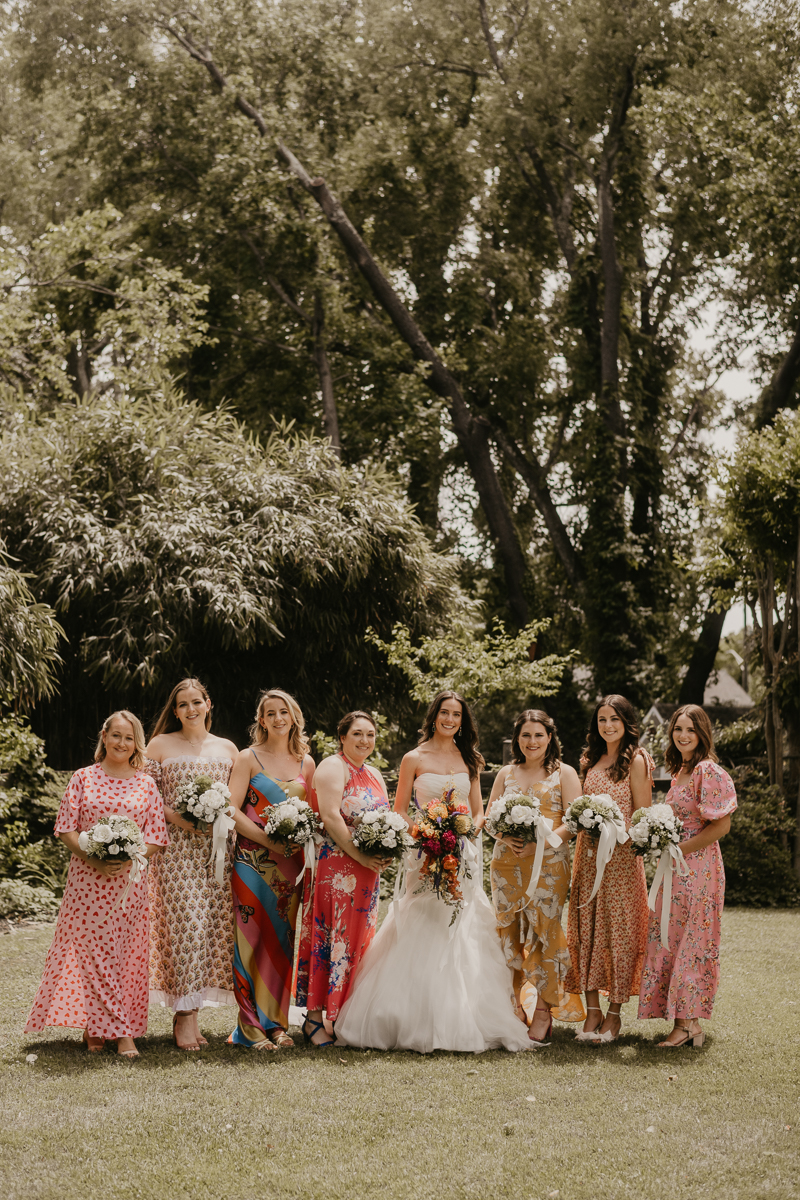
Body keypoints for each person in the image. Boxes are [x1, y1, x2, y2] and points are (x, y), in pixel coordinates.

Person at [335, 691, 532, 1054]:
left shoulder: (470, 758)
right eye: (445, 712)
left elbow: (478, 811)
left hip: (461, 853)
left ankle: (465, 1013)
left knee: (461, 924)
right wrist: (426, 834)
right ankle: (404, 1016)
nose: (450, 719)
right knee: (421, 919)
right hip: (422, 852)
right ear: (434, 715)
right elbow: (399, 809)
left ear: (463, 720)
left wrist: (461, 832)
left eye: (457, 714)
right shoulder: (414, 758)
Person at [25, 712, 168, 1058]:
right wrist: (94, 859)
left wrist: (130, 856)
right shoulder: (83, 779)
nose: (121, 743)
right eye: (116, 735)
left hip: (129, 884)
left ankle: (97, 1026)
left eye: (129, 738)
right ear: (104, 736)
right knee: (94, 956)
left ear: (137, 744)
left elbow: (157, 836)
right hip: (88, 882)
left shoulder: (145, 784)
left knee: (126, 957)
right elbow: (65, 828)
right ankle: (120, 1034)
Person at [145, 677, 239, 1051]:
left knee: (209, 931)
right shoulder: (159, 745)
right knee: (186, 925)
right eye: (182, 704)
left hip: (218, 853)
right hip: (176, 852)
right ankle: (184, 1018)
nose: (190, 709)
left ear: (208, 703)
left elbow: (238, 799)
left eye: (196, 702)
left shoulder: (228, 748)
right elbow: (147, 794)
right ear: (175, 710)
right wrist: (177, 817)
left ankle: (192, 1012)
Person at [638, 704, 737, 1047]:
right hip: (674, 868)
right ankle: (686, 1023)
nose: (682, 735)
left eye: (690, 730)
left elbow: (721, 824)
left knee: (693, 939)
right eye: (677, 729)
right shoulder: (680, 769)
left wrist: (684, 848)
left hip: (698, 868)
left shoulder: (707, 770)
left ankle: (687, 1024)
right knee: (673, 936)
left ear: (702, 734)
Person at [486, 709, 586, 1043]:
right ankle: (513, 1007)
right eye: (526, 735)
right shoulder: (505, 773)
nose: (532, 742)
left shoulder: (564, 773)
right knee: (508, 933)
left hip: (549, 866)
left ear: (550, 738)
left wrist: (539, 844)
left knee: (546, 933)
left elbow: (573, 822)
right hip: (505, 865)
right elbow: (488, 819)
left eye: (539, 735)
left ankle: (543, 1010)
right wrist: (506, 838)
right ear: (517, 738)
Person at [295, 711, 390, 1047]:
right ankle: (314, 1018)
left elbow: (385, 819)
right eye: (357, 734)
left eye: (370, 735)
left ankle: (343, 1015)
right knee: (331, 939)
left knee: (358, 943)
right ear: (343, 737)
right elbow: (331, 817)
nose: (364, 740)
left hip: (367, 873)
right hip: (337, 869)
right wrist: (362, 854)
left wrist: (385, 848)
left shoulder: (375, 773)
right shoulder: (333, 767)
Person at [227, 688, 315, 1050]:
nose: (279, 718)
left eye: (284, 712)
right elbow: (231, 810)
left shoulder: (305, 762)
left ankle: (276, 1024)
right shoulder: (248, 757)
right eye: (271, 713)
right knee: (249, 940)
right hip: (250, 861)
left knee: (281, 942)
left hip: (290, 866)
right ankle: (249, 1029)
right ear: (261, 720)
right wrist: (266, 839)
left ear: (293, 716)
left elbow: (310, 814)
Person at [565, 694, 652, 1044]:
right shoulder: (589, 760)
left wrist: (613, 831)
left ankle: (613, 1016)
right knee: (585, 930)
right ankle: (592, 1013)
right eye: (602, 719)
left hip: (621, 860)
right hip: (586, 859)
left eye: (614, 719)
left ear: (626, 723)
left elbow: (642, 818)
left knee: (619, 932)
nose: (608, 726)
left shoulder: (637, 760)